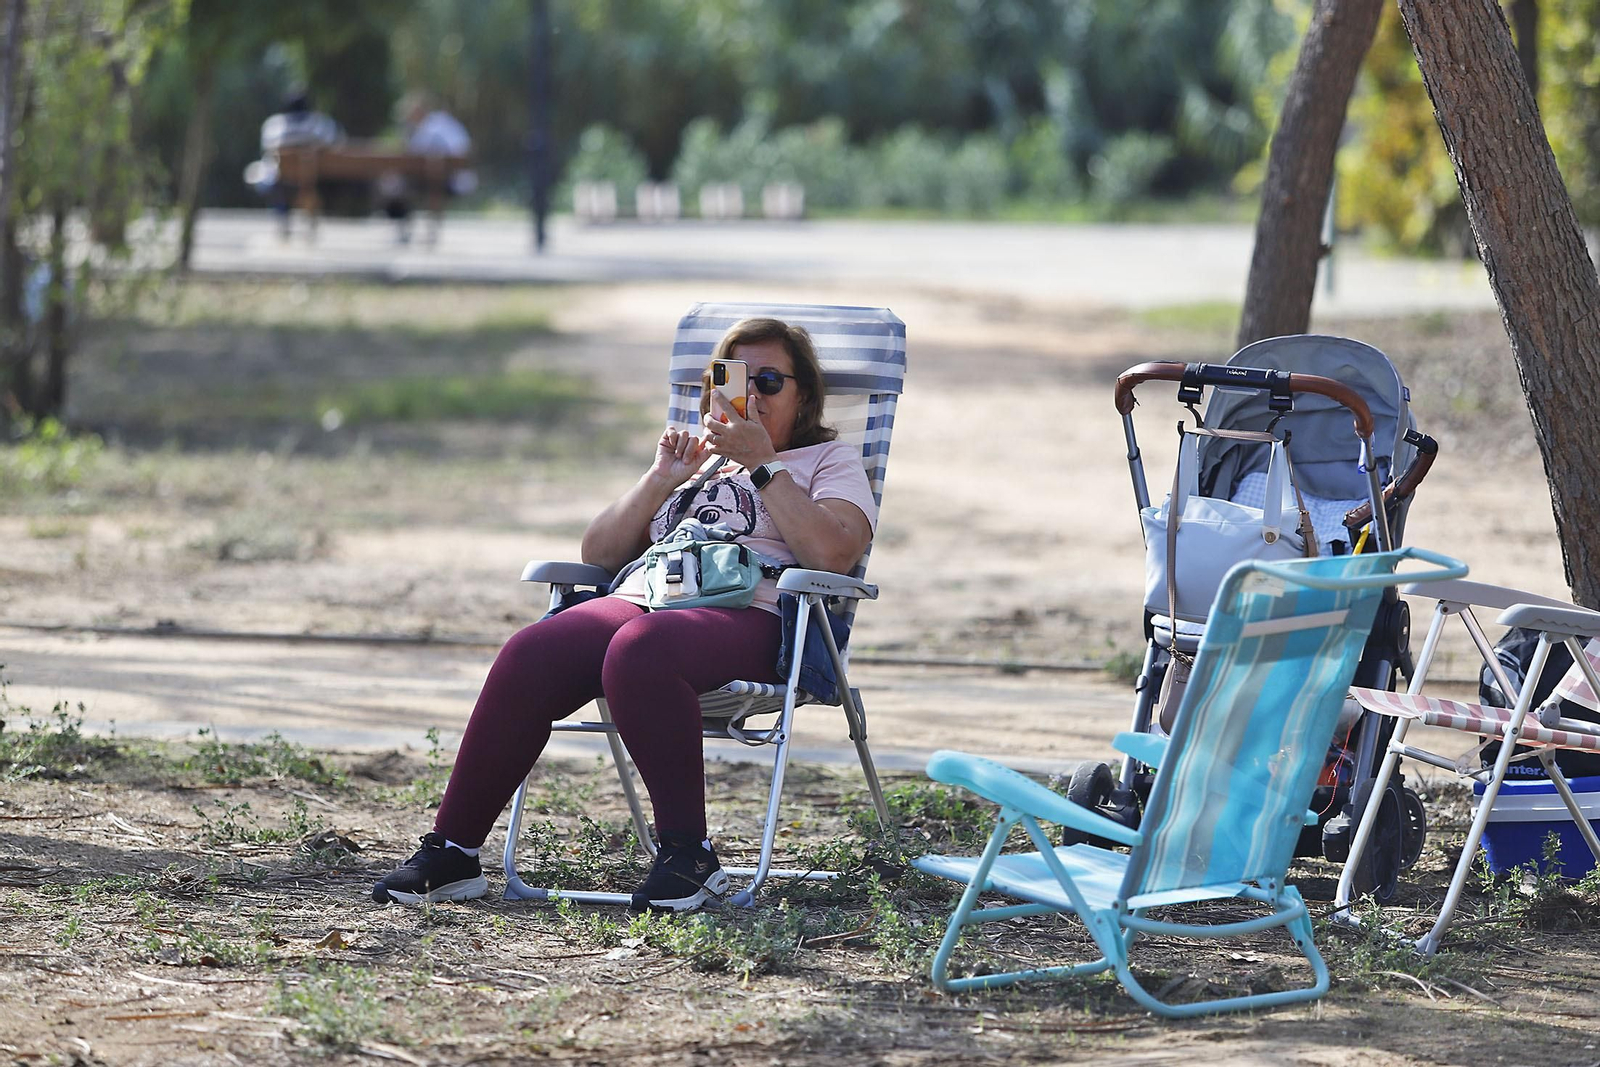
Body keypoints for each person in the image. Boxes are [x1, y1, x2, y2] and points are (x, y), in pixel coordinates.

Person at [371, 318, 877, 912]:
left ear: (804, 395)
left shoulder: (827, 460)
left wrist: (765, 466)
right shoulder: (699, 466)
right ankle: (454, 851)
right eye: (734, 379)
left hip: (755, 615)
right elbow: (600, 555)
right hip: (645, 601)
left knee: (642, 647)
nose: (753, 395)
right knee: (531, 650)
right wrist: (661, 479)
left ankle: (689, 857)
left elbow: (835, 552)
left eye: (769, 380)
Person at [243, 90, 342, 236]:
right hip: (313, 178)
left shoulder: (274, 125)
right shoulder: (319, 124)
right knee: (307, 182)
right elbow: (334, 141)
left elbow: (266, 146)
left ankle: (282, 215)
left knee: (271, 177)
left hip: (281, 179)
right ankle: (310, 217)